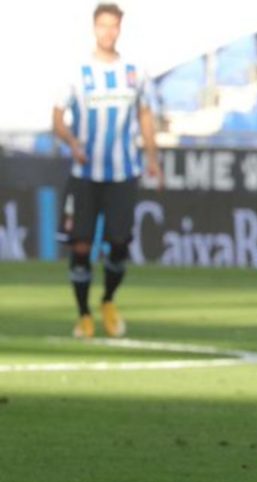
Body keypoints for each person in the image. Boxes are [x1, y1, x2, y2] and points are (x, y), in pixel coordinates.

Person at [52, 2, 161, 339]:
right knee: (81, 245)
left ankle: (108, 301)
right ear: (94, 28)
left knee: (119, 243)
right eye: (103, 25)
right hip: (85, 174)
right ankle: (84, 314)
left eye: (113, 26)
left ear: (120, 29)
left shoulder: (134, 72)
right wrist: (71, 141)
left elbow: (145, 114)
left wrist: (153, 158)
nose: (108, 32)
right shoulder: (77, 71)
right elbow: (56, 117)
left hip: (123, 173)